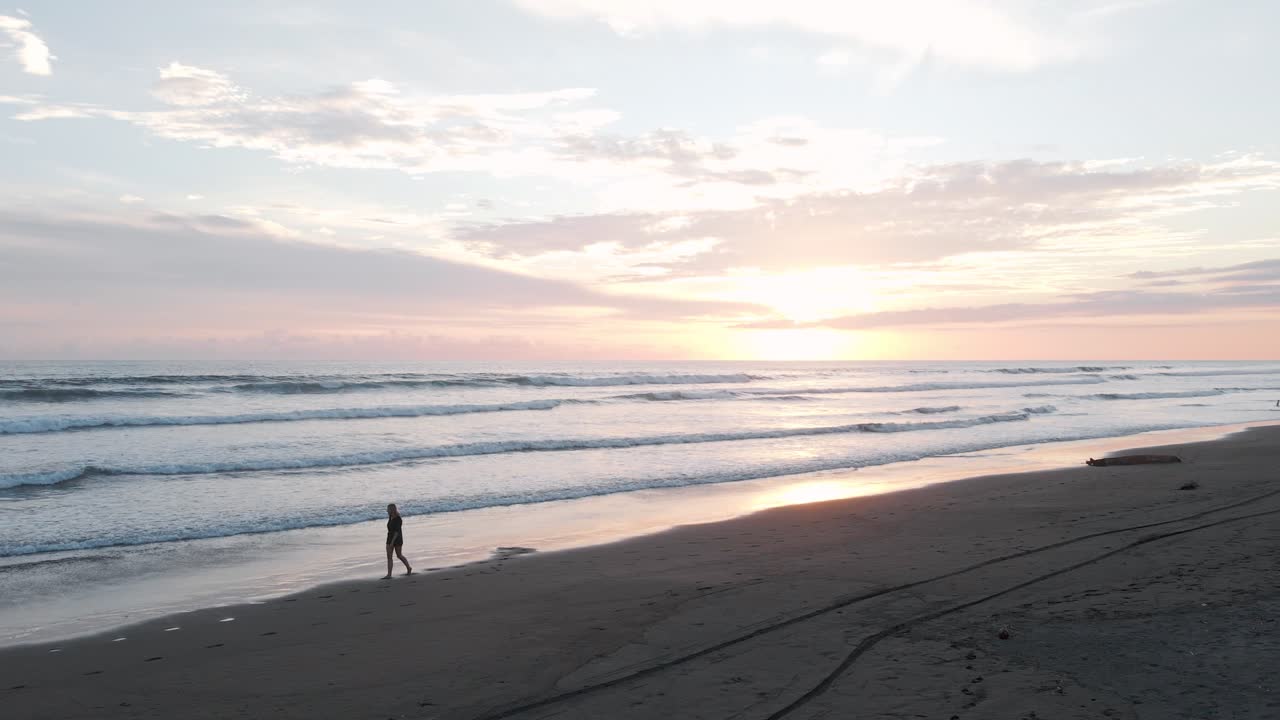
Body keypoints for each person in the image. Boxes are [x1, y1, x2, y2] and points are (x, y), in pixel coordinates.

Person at [383, 503, 412, 579]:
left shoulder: (398, 519)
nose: (387, 511)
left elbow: (397, 532)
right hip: (389, 537)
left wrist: (392, 542)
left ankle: (409, 568)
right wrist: (390, 541)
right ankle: (389, 574)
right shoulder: (390, 517)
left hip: (397, 539)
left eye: (388, 509)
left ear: (392, 510)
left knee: (399, 555)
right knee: (389, 557)